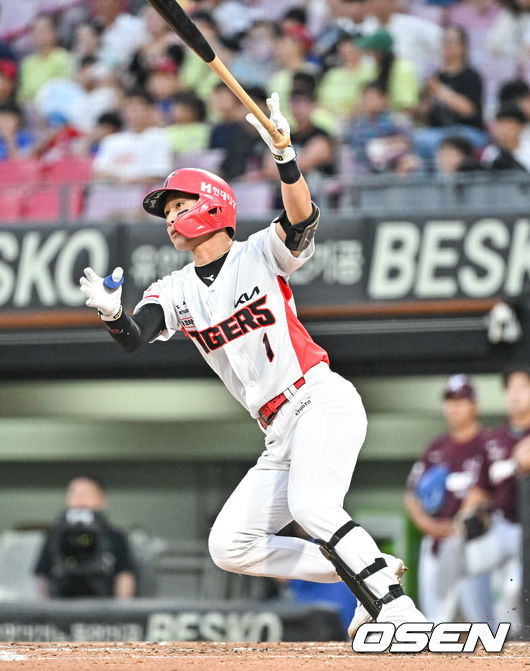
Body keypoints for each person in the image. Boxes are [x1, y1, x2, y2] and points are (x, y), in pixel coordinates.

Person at [79, 91, 425, 641]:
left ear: (214, 205)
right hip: (275, 429)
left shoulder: (258, 252)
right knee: (230, 545)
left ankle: (400, 613)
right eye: (167, 212)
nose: (171, 218)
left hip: (318, 399)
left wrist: (286, 157)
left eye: (179, 205)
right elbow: (134, 337)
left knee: (313, 506)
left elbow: (303, 219)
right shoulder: (175, 288)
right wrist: (113, 313)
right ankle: (370, 567)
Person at [404, 375, 493, 624]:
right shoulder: (436, 447)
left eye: (461, 400)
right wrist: (430, 526)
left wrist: (457, 524)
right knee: (437, 622)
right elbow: (411, 494)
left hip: (475, 544)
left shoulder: (487, 444)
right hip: (436, 543)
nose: (454, 407)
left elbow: (492, 491)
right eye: (450, 400)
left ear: (475, 405)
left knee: (482, 621)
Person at [461, 366, 530, 634]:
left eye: (522, 388)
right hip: (503, 525)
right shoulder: (493, 439)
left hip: (528, 529)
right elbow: (480, 487)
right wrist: (466, 514)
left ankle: (519, 643)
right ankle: (485, 639)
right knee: (470, 571)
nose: (514, 394)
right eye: (510, 388)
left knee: (515, 589)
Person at [34, 476, 136, 599]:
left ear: (103, 500)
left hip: (104, 606)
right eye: (75, 494)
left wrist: (121, 611)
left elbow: (125, 575)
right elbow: (42, 575)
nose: (80, 500)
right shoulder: (54, 536)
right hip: (61, 605)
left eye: (87, 494)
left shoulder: (115, 536)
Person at [414, 25, 488, 163]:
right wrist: (424, 100)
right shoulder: (436, 77)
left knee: (439, 144)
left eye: (451, 41)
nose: (447, 46)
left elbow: (468, 109)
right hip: (437, 130)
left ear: (463, 46)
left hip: (466, 130)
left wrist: (439, 90)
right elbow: (422, 113)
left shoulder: (471, 76)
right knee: (417, 140)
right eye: (444, 41)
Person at [480, 103, 529, 172]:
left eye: (508, 124)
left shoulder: (528, 150)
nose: (503, 130)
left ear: (521, 126)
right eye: (499, 124)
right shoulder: (490, 152)